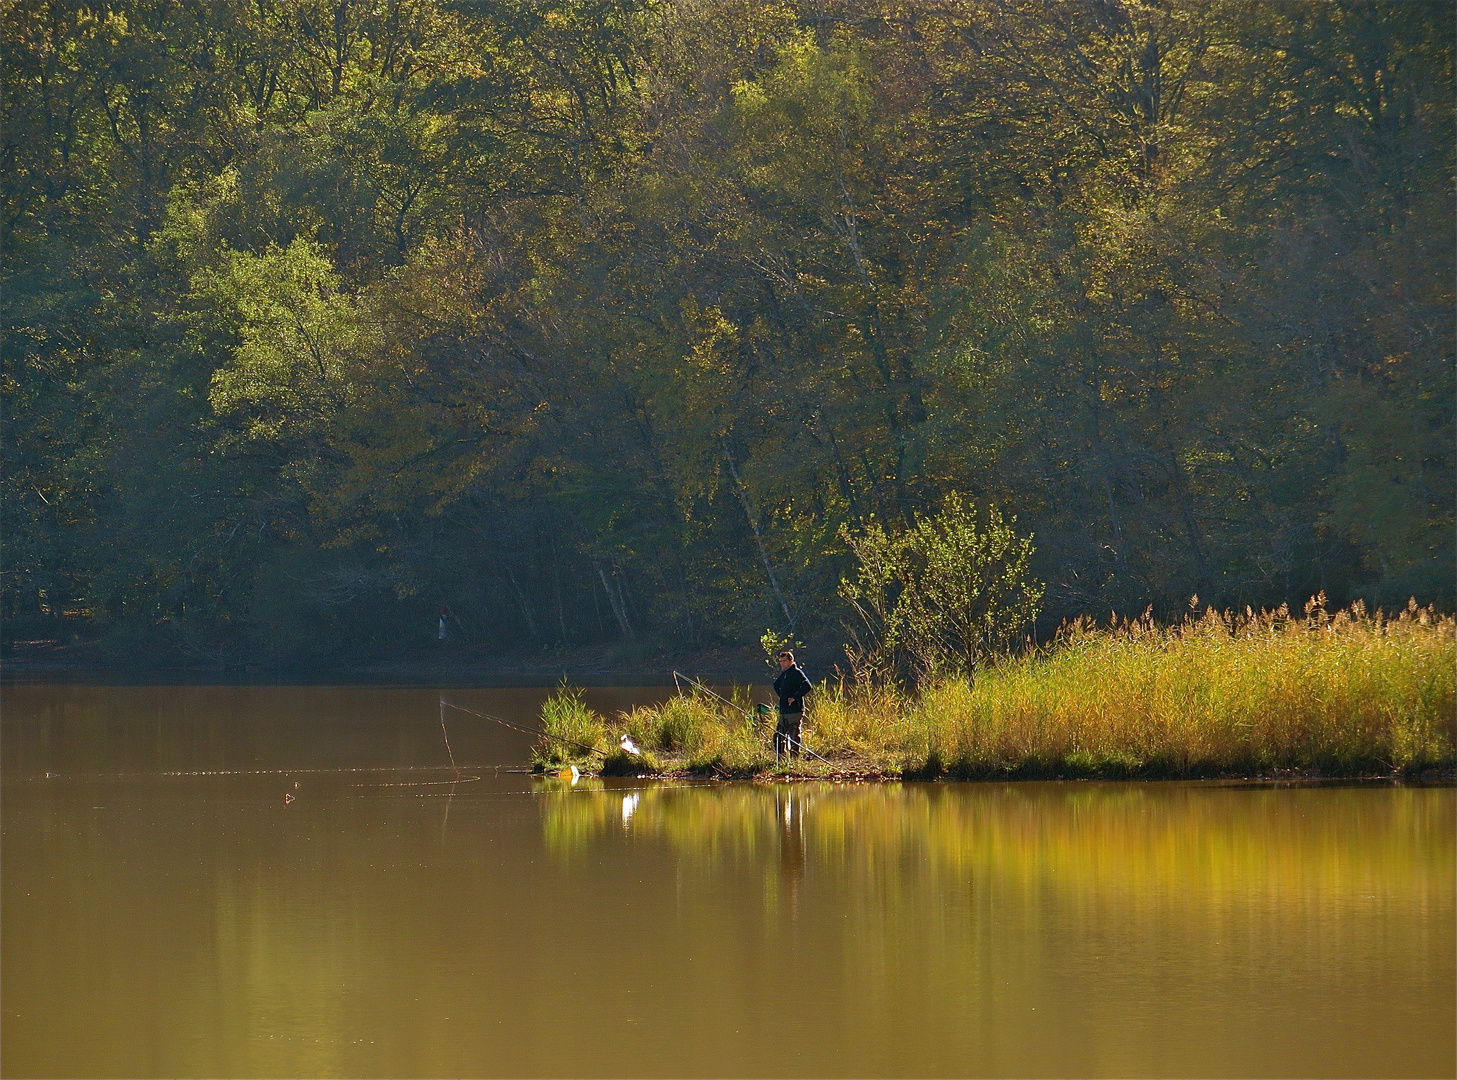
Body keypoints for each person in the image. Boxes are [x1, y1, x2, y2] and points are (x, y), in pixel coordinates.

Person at [772, 650, 812, 758]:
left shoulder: (796, 672)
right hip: (784, 711)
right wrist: (783, 697)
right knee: (778, 736)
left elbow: (807, 686)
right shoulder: (784, 674)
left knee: (794, 736)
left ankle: (794, 760)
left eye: (784, 661)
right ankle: (781, 760)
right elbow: (776, 685)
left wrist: (794, 697)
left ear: (791, 660)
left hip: (795, 710)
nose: (782, 663)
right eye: (781, 661)